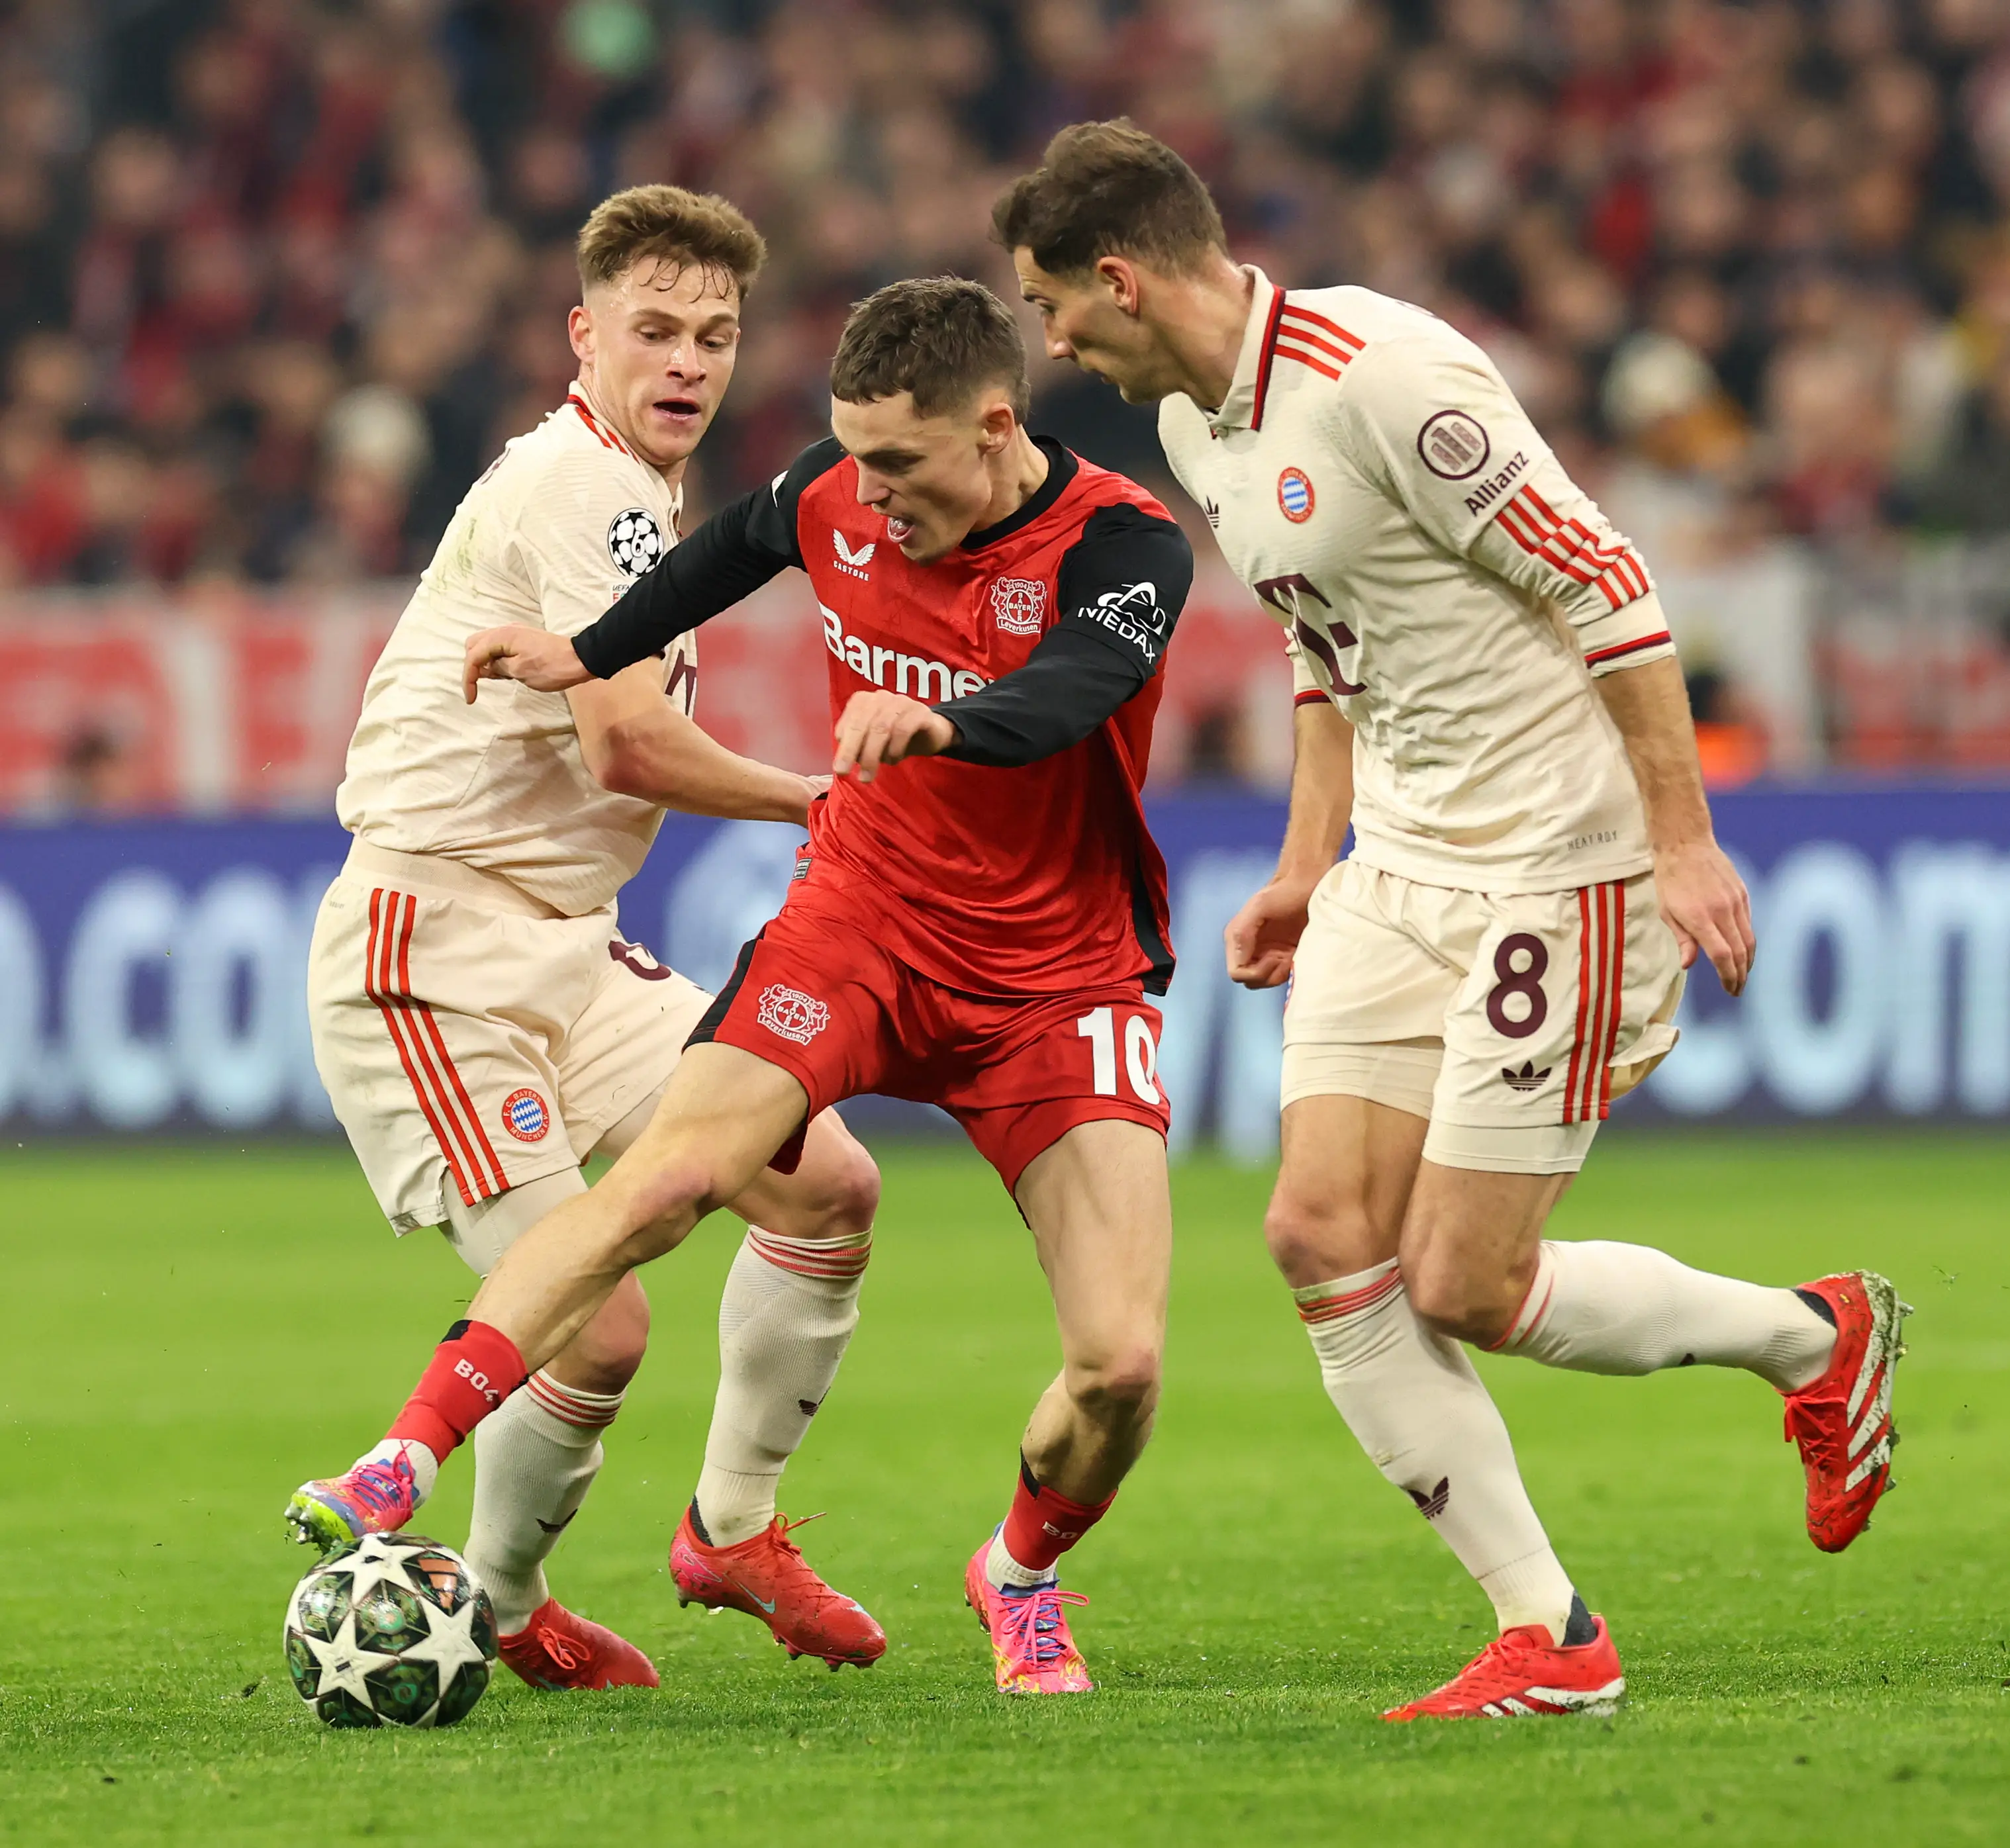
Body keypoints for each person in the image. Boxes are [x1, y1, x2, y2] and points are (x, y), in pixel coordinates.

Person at [997, 120, 1909, 1721]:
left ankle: (1811, 1340)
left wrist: (1682, 847)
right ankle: (1549, 1633)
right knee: (1316, 1232)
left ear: (1122, 278)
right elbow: (1322, 636)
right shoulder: (1196, 426)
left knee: (1469, 1283)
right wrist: (1302, 855)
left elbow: (1609, 585)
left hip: (1560, 864)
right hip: (1397, 865)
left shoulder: (1382, 374)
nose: (1052, 335)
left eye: (1054, 300)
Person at [293, 275, 1194, 1698]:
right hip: (866, 919)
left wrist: (944, 719)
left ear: (995, 425)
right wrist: (585, 652)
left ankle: (1014, 1568)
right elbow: (732, 545)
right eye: (851, 455)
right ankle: (404, 1456)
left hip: (1055, 975)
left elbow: (1075, 690)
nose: (867, 491)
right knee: (666, 1187)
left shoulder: (1124, 545)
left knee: (1119, 1366)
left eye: (897, 462)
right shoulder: (832, 488)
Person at [293, 184, 886, 1688]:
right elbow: (626, 747)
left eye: (716, 335)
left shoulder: (639, 497)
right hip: (432, 944)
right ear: (585, 335)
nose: (688, 361)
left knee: (823, 1183)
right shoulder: (581, 488)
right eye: (655, 330)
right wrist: (823, 800)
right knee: (601, 1326)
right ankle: (495, 1596)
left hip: (569, 940)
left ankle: (732, 1526)